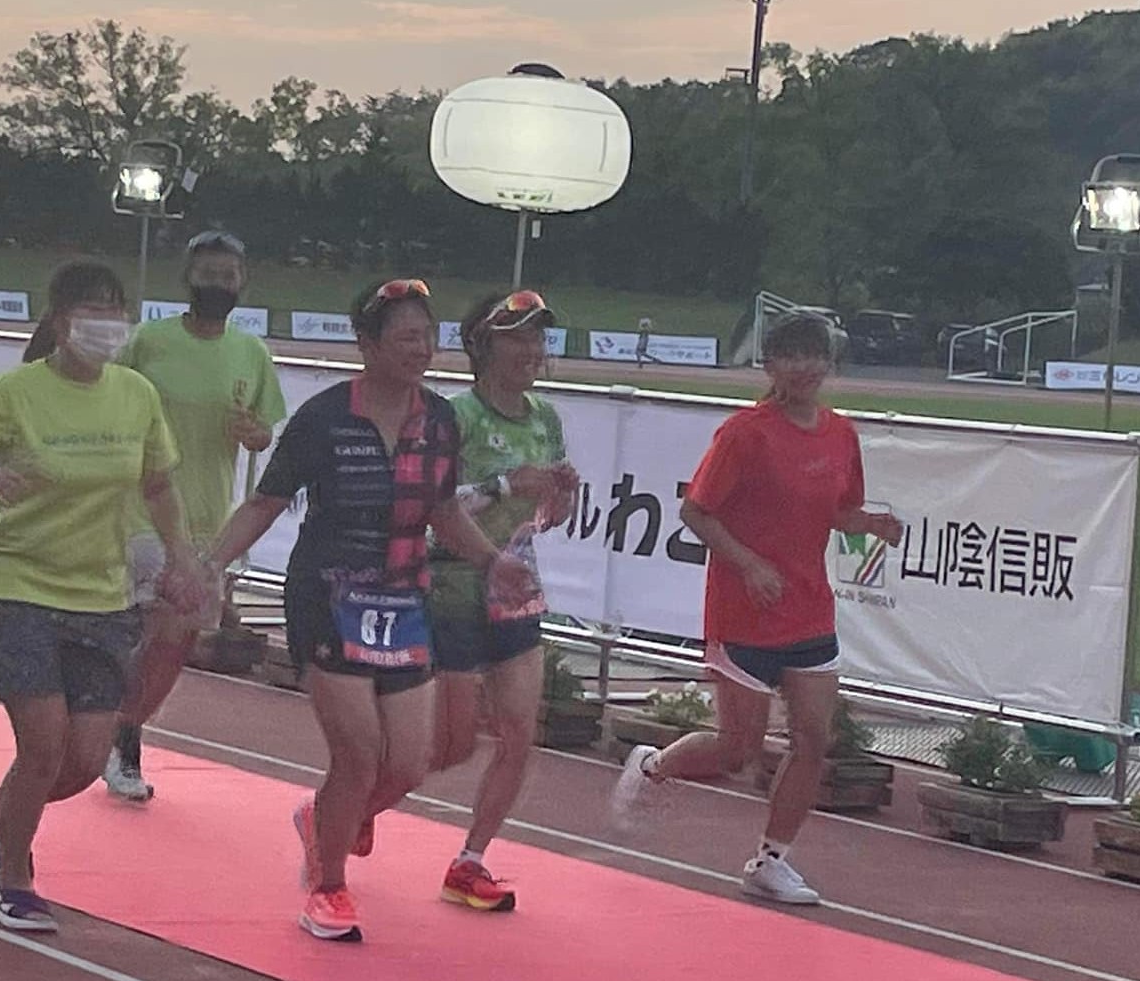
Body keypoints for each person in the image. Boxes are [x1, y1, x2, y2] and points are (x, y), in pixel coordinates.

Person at [205, 278, 533, 943]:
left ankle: (322, 818)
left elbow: (443, 510)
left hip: (404, 599)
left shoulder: (439, 420)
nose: (421, 349)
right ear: (367, 344)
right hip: (328, 596)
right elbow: (265, 503)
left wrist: (492, 561)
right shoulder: (323, 418)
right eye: (406, 336)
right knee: (357, 752)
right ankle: (328, 886)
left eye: (427, 336)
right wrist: (209, 565)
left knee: (408, 763)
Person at [0, 261, 207, 934]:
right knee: (44, 745)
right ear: (57, 319)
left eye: (115, 310)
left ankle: (5, 808)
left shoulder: (136, 394)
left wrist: (183, 557)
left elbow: (158, 484)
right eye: (90, 310)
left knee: (81, 760)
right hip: (21, 587)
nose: (106, 324)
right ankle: (13, 878)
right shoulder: (13, 393)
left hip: (103, 595)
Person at [611, 312, 904, 906]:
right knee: (737, 749)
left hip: (808, 610)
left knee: (813, 740)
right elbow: (696, 511)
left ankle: (770, 860)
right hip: (744, 612)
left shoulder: (841, 435)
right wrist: (749, 565)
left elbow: (838, 510)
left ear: (828, 363)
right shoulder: (745, 434)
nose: (803, 368)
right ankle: (653, 767)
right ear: (769, 366)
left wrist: (871, 523)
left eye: (813, 356)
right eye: (790, 357)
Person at [104, 229, 286, 802]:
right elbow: (108, 398)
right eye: (208, 274)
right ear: (188, 278)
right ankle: (119, 738)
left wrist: (254, 433)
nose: (218, 285)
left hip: (210, 520)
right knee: (165, 622)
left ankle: (117, 721)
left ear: (243, 283)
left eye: (228, 276)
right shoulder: (149, 342)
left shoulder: (251, 354)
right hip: (142, 509)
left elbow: (264, 432)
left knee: (177, 642)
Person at [425, 290, 578, 912]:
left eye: (538, 338)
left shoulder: (546, 419)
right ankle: (346, 806)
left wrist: (558, 497)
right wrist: (505, 484)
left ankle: (470, 861)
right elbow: (434, 509)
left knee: (519, 735)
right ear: (483, 346)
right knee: (451, 745)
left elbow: (548, 517)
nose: (532, 351)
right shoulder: (454, 416)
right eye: (518, 338)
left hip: (516, 589)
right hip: (452, 585)